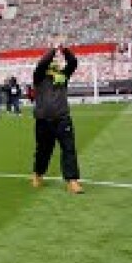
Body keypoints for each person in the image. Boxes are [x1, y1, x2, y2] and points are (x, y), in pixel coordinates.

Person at [31, 42, 83, 194]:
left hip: (62, 119)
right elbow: (41, 63)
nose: (55, 65)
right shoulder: (39, 77)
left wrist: (64, 50)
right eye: (52, 63)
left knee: (69, 149)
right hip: (43, 120)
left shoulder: (63, 77)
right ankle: (38, 174)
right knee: (43, 150)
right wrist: (54, 49)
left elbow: (73, 62)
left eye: (56, 63)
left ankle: (72, 181)